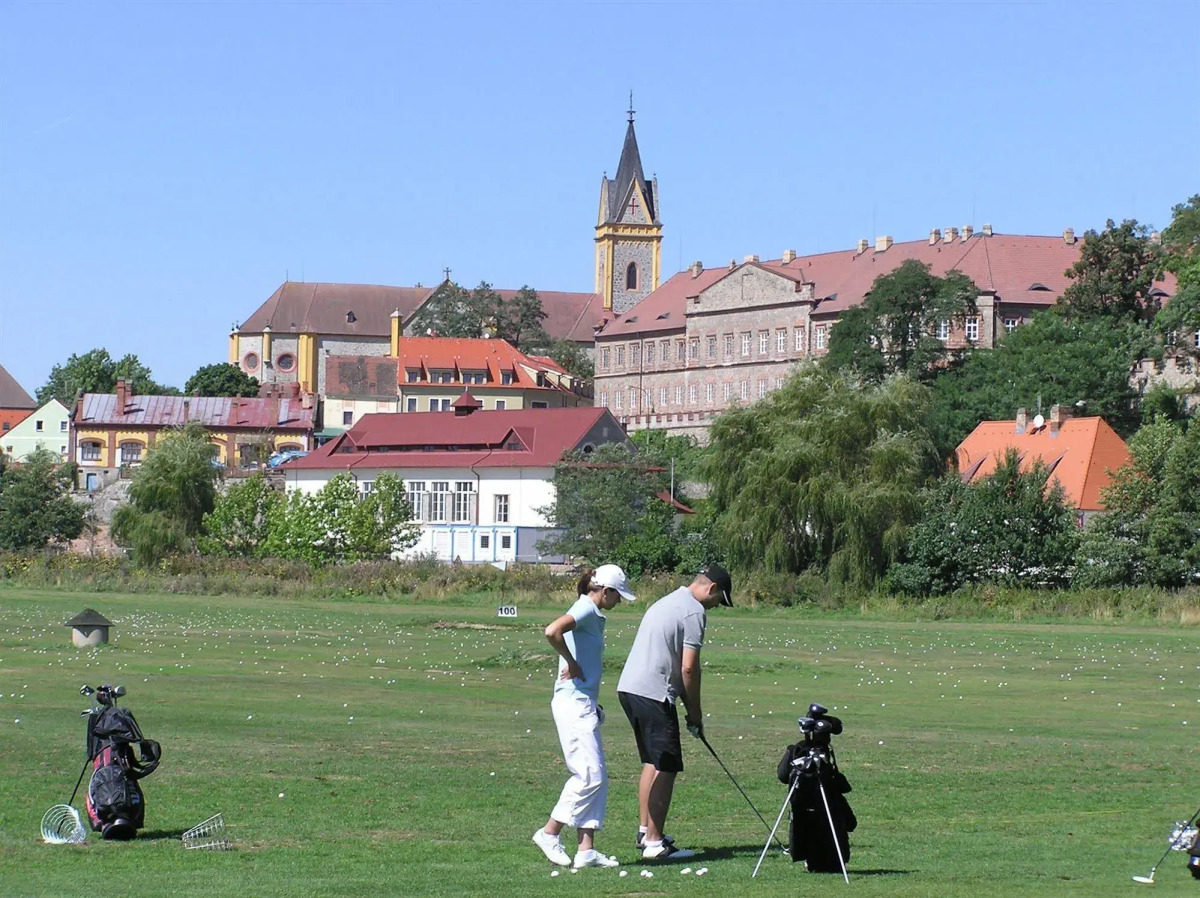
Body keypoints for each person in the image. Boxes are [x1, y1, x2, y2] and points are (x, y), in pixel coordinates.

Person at [616, 563, 733, 860]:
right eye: (720, 600)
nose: (717, 606)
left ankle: (646, 831)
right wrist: (695, 713)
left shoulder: (669, 600)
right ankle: (654, 844)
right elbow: (689, 668)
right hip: (653, 693)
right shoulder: (694, 611)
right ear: (712, 589)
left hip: (630, 689)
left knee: (653, 763)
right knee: (667, 766)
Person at [532, 564, 637, 869]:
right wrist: (570, 662)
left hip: (584, 703)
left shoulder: (593, 612)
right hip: (573, 704)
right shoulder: (585, 609)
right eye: (618, 596)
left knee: (598, 777)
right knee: (589, 776)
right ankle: (549, 832)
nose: (619, 602)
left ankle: (586, 850)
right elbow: (552, 630)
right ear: (605, 591)